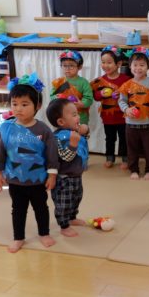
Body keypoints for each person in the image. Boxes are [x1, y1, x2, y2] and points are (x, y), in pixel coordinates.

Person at [0, 74, 58, 253]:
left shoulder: (43, 129)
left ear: (37, 105)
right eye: (14, 104)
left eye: (24, 104)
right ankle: (18, 237)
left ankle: (44, 233)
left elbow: (51, 154)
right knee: (18, 209)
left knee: (41, 208)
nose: (18, 109)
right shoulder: (5, 128)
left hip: (38, 179)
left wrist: (52, 175)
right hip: (15, 179)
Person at [117, 47, 149, 180]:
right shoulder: (127, 84)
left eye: (142, 65)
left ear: (148, 67)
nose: (138, 68)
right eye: (135, 65)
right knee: (132, 148)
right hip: (131, 124)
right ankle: (133, 169)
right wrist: (126, 110)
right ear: (130, 66)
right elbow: (121, 101)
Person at [46, 97, 90, 238]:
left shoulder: (74, 131)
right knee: (64, 202)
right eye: (74, 114)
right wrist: (72, 144)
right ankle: (64, 225)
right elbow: (66, 157)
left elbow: (84, 141)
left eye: (77, 113)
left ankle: (72, 217)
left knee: (76, 198)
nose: (78, 117)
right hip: (63, 179)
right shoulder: (57, 138)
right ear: (61, 122)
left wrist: (86, 131)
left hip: (76, 175)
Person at [91, 46, 131, 169]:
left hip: (123, 116)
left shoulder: (126, 79)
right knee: (109, 138)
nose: (105, 65)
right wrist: (101, 94)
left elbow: (132, 95)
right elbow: (95, 96)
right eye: (103, 62)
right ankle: (109, 158)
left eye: (109, 62)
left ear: (118, 64)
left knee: (124, 138)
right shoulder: (99, 81)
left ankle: (125, 158)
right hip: (108, 116)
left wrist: (123, 94)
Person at [51, 50, 94, 126]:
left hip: (80, 116)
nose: (67, 68)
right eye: (64, 65)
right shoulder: (59, 82)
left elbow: (89, 98)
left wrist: (82, 104)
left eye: (71, 66)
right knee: (66, 133)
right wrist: (57, 97)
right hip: (64, 116)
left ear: (79, 67)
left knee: (81, 132)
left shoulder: (84, 82)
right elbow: (52, 95)